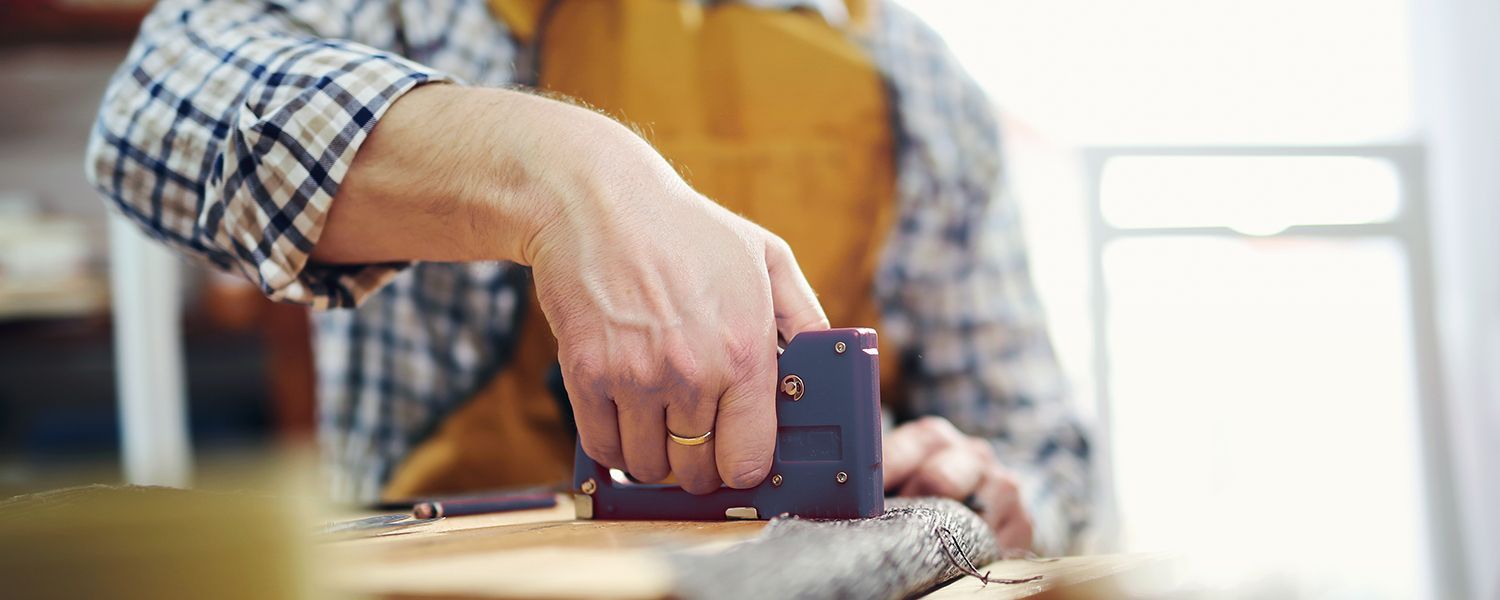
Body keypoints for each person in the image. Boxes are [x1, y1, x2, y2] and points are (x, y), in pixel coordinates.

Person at [86, 0, 1092, 554]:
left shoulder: (921, 80)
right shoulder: (425, 14)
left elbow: (1049, 453)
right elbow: (146, 120)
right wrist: (565, 177)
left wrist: (986, 494)